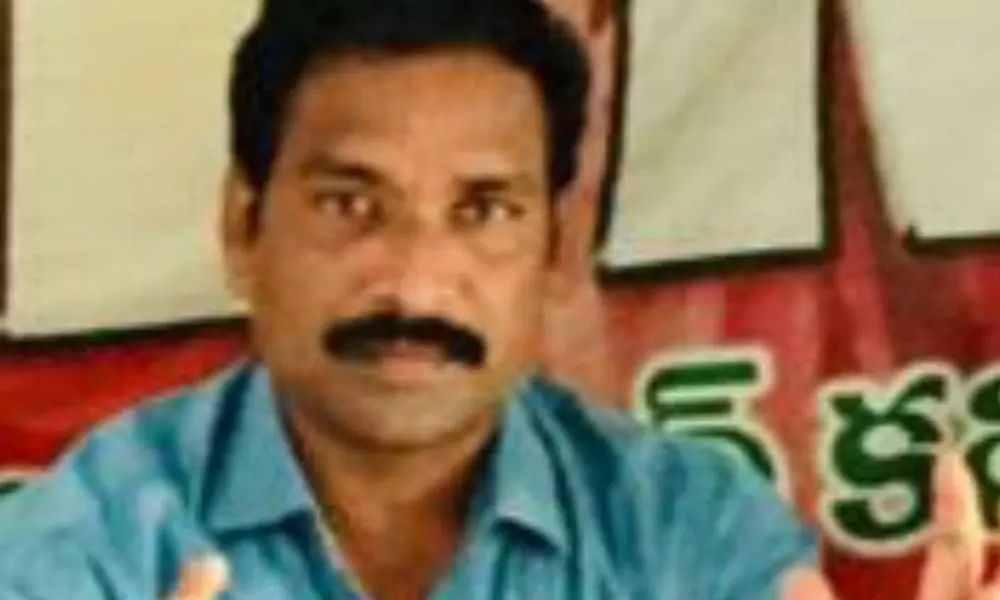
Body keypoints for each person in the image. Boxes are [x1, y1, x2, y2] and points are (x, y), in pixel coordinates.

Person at [0, 0, 994, 598]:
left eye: (482, 211)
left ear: (555, 251)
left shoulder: (687, 536)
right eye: (351, 205)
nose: (414, 279)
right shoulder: (84, 550)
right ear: (241, 225)